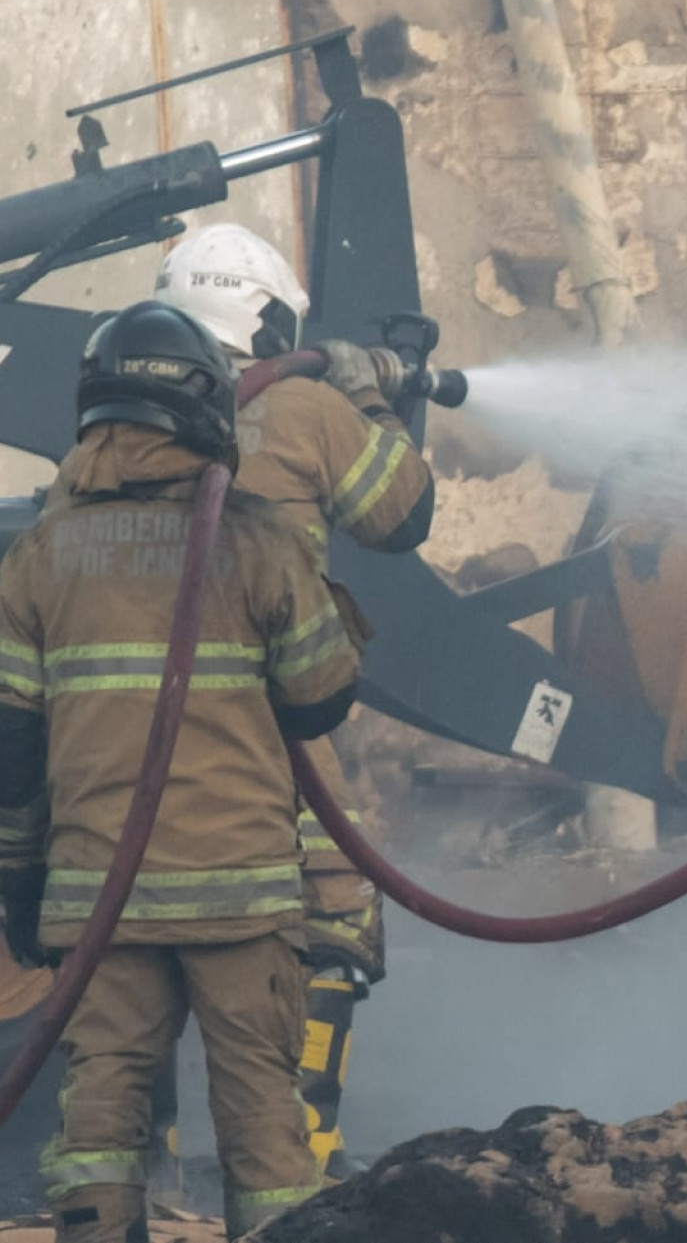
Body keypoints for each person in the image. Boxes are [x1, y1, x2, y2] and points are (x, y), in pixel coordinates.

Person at [0, 300, 365, 1242]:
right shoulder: (257, 538)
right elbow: (320, 697)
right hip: (238, 900)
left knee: (100, 1121)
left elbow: (11, 751)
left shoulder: (39, 554)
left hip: (100, 899)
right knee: (263, 1126)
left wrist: (24, 882)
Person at [149, 221, 436, 1178]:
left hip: (129, 722)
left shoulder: (113, 412)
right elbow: (402, 512)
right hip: (271, 709)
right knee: (334, 908)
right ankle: (303, 1143)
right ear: (267, 322)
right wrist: (370, 394)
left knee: (139, 925)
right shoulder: (307, 407)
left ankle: (164, 1150)